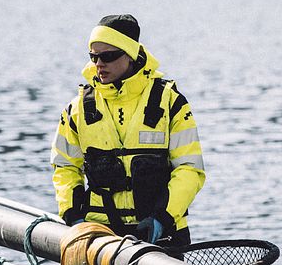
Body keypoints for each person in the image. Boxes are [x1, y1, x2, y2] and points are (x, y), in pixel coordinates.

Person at [51, 14, 205, 247]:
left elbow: (190, 170)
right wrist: (73, 215)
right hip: (98, 237)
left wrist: (161, 219)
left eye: (108, 56)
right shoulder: (77, 109)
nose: (99, 64)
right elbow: (65, 167)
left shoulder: (170, 103)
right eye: (93, 57)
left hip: (162, 235)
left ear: (131, 55)